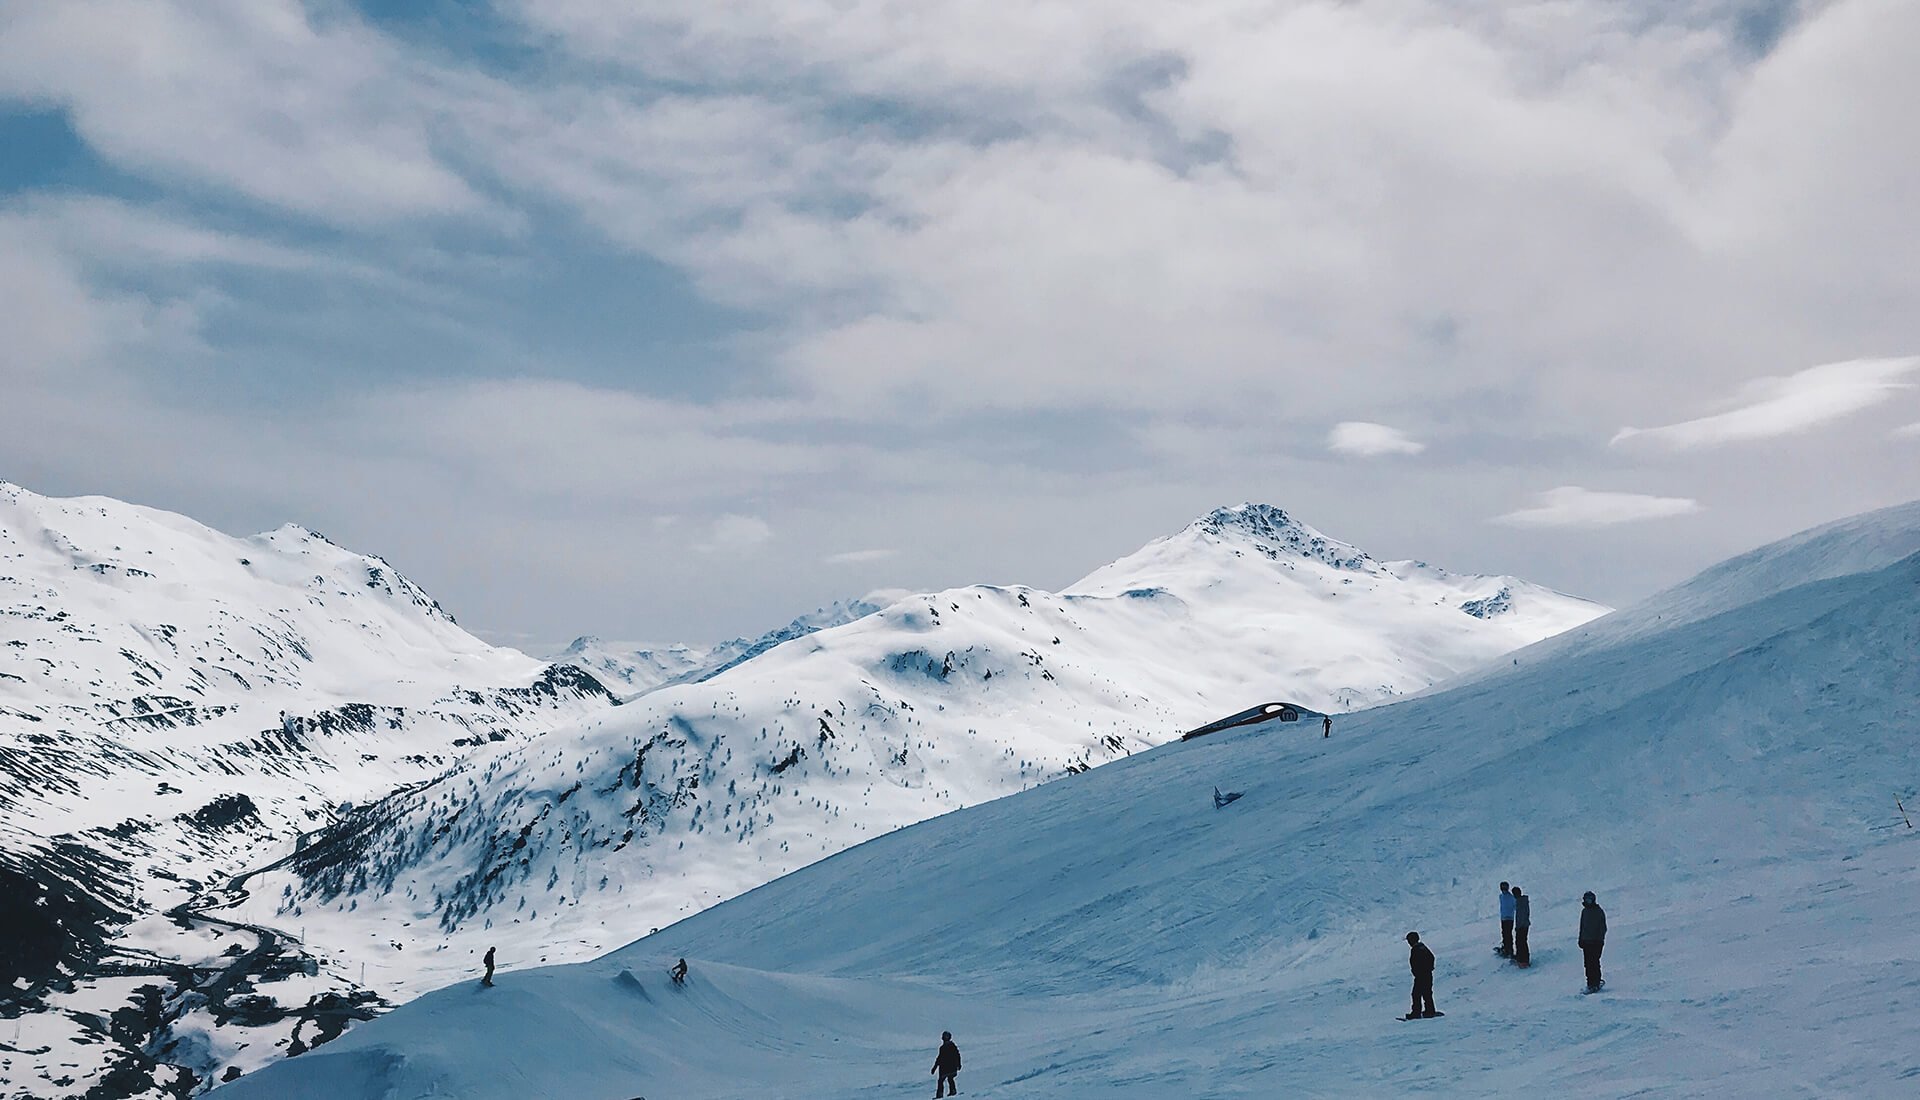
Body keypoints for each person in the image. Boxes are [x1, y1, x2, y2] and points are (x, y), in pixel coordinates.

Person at [1579, 891, 1607, 991]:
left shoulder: (1598, 911)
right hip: (1586, 941)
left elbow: (1602, 927)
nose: (1588, 901)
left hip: (1596, 942)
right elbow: (1582, 926)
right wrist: (1581, 939)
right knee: (1588, 964)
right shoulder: (1585, 911)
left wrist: (1600, 940)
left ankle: (1596, 982)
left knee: (1594, 962)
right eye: (1587, 899)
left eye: (1590, 899)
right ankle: (1590, 983)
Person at [1405, 932, 1437, 1019]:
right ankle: (1430, 1010)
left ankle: (1416, 1012)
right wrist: (1429, 968)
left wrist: (1418, 972)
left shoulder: (1416, 949)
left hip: (1421, 976)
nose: (1408, 943)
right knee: (1427, 993)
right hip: (1426, 975)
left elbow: (1416, 963)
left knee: (1416, 994)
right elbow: (1432, 958)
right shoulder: (1422, 947)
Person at [932, 1031, 961, 1096]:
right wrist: (934, 1067)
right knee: (947, 1080)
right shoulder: (943, 1047)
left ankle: (943, 1093)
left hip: (947, 1067)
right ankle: (950, 1092)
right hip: (946, 1067)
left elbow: (957, 1055)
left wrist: (958, 1064)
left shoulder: (951, 1046)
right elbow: (939, 1058)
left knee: (945, 1080)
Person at [1512, 887, 1531, 967]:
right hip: (1524, 924)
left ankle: (1523, 960)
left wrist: (1518, 926)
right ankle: (1522, 958)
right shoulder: (1523, 901)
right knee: (1521, 942)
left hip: (1522, 925)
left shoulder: (1520, 902)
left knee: (1521, 942)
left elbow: (1520, 916)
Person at [1498, 882, 1515, 957]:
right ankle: (1506, 947)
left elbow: (1515, 906)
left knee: (1508, 934)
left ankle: (1509, 949)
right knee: (1505, 933)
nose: (1503, 890)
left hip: (1509, 918)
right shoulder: (1501, 896)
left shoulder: (1511, 897)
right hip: (1504, 918)